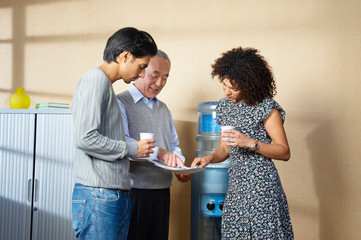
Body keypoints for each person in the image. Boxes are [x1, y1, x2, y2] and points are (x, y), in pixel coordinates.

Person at [191, 47, 294, 239]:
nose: (227, 92)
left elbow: (284, 151)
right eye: (224, 85)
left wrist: (250, 143)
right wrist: (208, 158)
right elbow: (224, 149)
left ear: (250, 84)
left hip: (262, 186)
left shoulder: (266, 108)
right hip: (237, 187)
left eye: (234, 88)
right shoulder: (224, 106)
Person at [71, 27, 158, 240]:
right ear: (125, 55)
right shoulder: (96, 79)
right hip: (99, 195)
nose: (141, 74)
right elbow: (85, 138)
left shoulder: (106, 86)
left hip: (111, 194)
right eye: (141, 66)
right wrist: (131, 148)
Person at [117, 50, 192, 240]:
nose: (160, 83)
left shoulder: (163, 109)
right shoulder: (120, 103)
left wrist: (180, 164)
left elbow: (173, 144)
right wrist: (161, 153)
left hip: (161, 192)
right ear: (141, 70)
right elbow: (123, 142)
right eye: (155, 75)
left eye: (165, 77)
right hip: (133, 193)